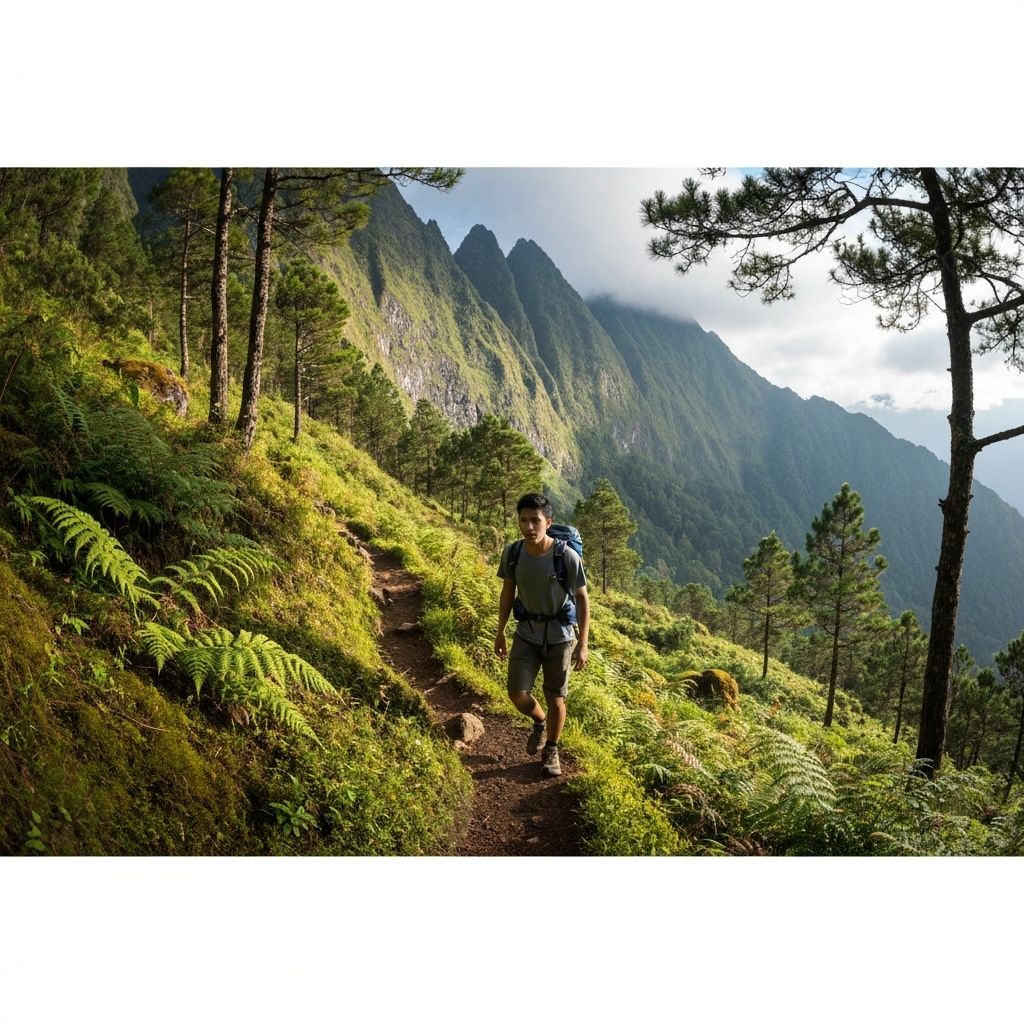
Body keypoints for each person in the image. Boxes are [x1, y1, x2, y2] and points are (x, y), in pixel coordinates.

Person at [494, 493, 590, 777]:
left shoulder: (565, 556)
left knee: (556, 698)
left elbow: (583, 600)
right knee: (516, 693)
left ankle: (551, 748)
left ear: (549, 522)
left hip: (560, 637)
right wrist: (500, 632)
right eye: (523, 520)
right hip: (526, 633)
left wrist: (582, 644)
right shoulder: (513, 553)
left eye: (535, 521)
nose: (529, 527)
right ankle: (539, 721)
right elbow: (507, 592)